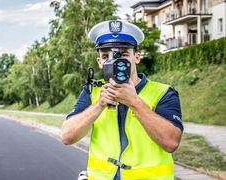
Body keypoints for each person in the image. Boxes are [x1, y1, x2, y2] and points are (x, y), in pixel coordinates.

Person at [61, 20, 183, 180]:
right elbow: (67, 137)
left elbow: (171, 143)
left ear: (137, 57)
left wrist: (134, 102)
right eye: (106, 56)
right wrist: (100, 104)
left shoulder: (163, 93)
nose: (114, 61)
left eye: (123, 54)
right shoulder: (92, 92)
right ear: (99, 62)